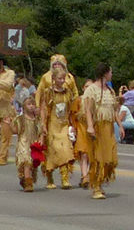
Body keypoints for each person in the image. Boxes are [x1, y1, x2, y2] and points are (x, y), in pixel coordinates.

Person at [84, 63, 124, 199]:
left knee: (111, 159)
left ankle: (100, 183)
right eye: (110, 72)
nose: (112, 75)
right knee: (98, 158)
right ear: (105, 73)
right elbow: (88, 110)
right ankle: (96, 186)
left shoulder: (110, 90)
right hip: (97, 127)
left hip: (109, 127)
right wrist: (90, 126)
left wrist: (120, 125)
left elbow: (113, 110)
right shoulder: (91, 90)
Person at [41, 66, 76, 190]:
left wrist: (73, 125)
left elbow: (72, 109)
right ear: (54, 78)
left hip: (64, 124)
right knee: (52, 151)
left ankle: (65, 178)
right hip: (52, 125)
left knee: (66, 149)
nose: (62, 81)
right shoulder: (48, 92)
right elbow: (44, 109)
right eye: (60, 78)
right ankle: (49, 178)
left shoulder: (68, 92)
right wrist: (43, 125)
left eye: (64, 78)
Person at [7, 96, 42, 192]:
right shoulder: (20, 119)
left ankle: (24, 178)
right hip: (23, 143)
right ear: (24, 106)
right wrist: (10, 124)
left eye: (33, 104)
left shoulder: (37, 120)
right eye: (29, 104)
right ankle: (28, 184)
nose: (31, 106)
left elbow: (41, 131)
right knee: (27, 161)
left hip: (33, 143)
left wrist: (41, 139)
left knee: (32, 164)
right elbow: (15, 131)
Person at [72, 79, 93, 188]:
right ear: (82, 88)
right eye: (86, 87)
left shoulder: (95, 101)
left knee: (91, 155)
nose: (88, 89)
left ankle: (85, 174)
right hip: (81, 129)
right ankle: (85, 176)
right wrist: (74, 129)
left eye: (90, 87)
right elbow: (73, 116)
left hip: (92, 131)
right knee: (83, 154)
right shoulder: (78, 100)